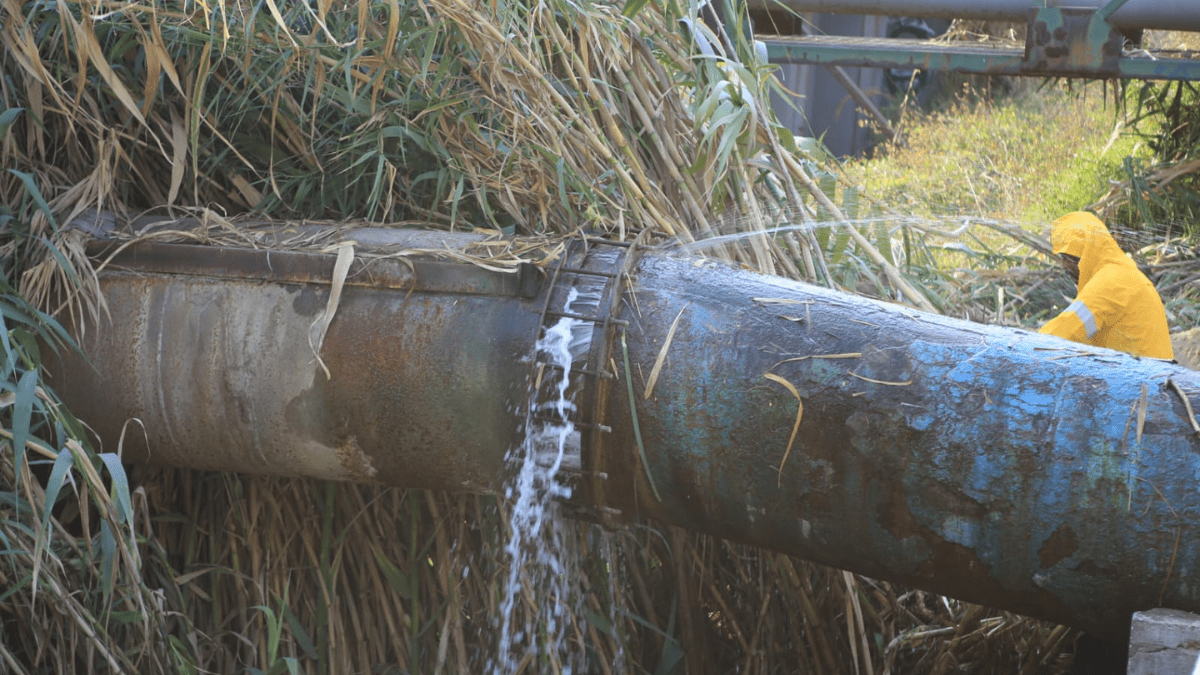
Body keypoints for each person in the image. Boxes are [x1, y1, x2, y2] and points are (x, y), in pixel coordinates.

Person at [1037, 211, 1174, 360]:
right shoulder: (1123, 273)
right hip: (1153, 373)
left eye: (1067, 257)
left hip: (1139, 378)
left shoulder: (1111, 281)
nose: (1064, 265)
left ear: (1085, 253)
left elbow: (1067, 331)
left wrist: (1025, 346)